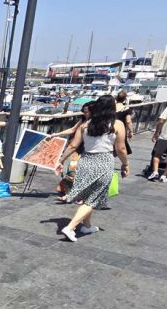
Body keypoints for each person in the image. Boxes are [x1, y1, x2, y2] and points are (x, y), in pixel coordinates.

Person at [54, 95, 129, 242]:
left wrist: (60, 160)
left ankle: (87, 226)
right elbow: (121, 149)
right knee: (94, 199)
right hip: (103, 162)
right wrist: (125, 164)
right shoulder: (117, 124)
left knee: (88, 196)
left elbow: (73, 146)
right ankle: (70, 227)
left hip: (85, 161)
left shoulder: (86, 124)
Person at [50, 103, 92, 198]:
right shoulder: (83, 120)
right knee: (69, 169)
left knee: (73, 171)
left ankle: (69, 192)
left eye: (87, 112)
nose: (85, 113)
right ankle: (66, 190)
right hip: (75, 149)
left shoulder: (93, 123)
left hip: (83, 150)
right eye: (84, 111)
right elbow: (72, 130)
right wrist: (56, 134)